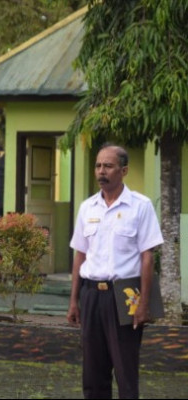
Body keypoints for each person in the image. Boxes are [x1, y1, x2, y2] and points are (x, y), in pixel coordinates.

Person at [67, 144, 163, 399]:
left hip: (124, 296)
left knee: (125, 369)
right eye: (98, 165)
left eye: (108, 166)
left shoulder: (140, 206)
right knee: (93, 372)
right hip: (91, 295)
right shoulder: (87, 207)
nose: (101, 171)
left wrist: (143, 303)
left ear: (124, 170)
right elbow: (80, 255)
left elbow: (147, 257)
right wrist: (74, 301)